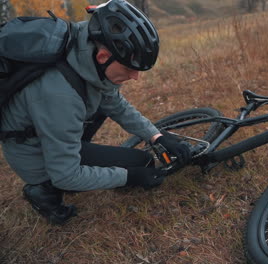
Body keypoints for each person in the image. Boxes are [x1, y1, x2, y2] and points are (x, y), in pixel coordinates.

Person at [0, 0, 191, 224]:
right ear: (103, 57)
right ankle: (43, 189)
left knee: (102, 106)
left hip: (44, 129)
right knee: (141, 163)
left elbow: (115, 103)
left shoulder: (85, 49)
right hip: (33, 152)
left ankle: (70, 152)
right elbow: (66, 175)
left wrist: (156, 135)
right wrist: (129, 177)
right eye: (130, 68)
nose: (135, 77)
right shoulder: (61, 96)